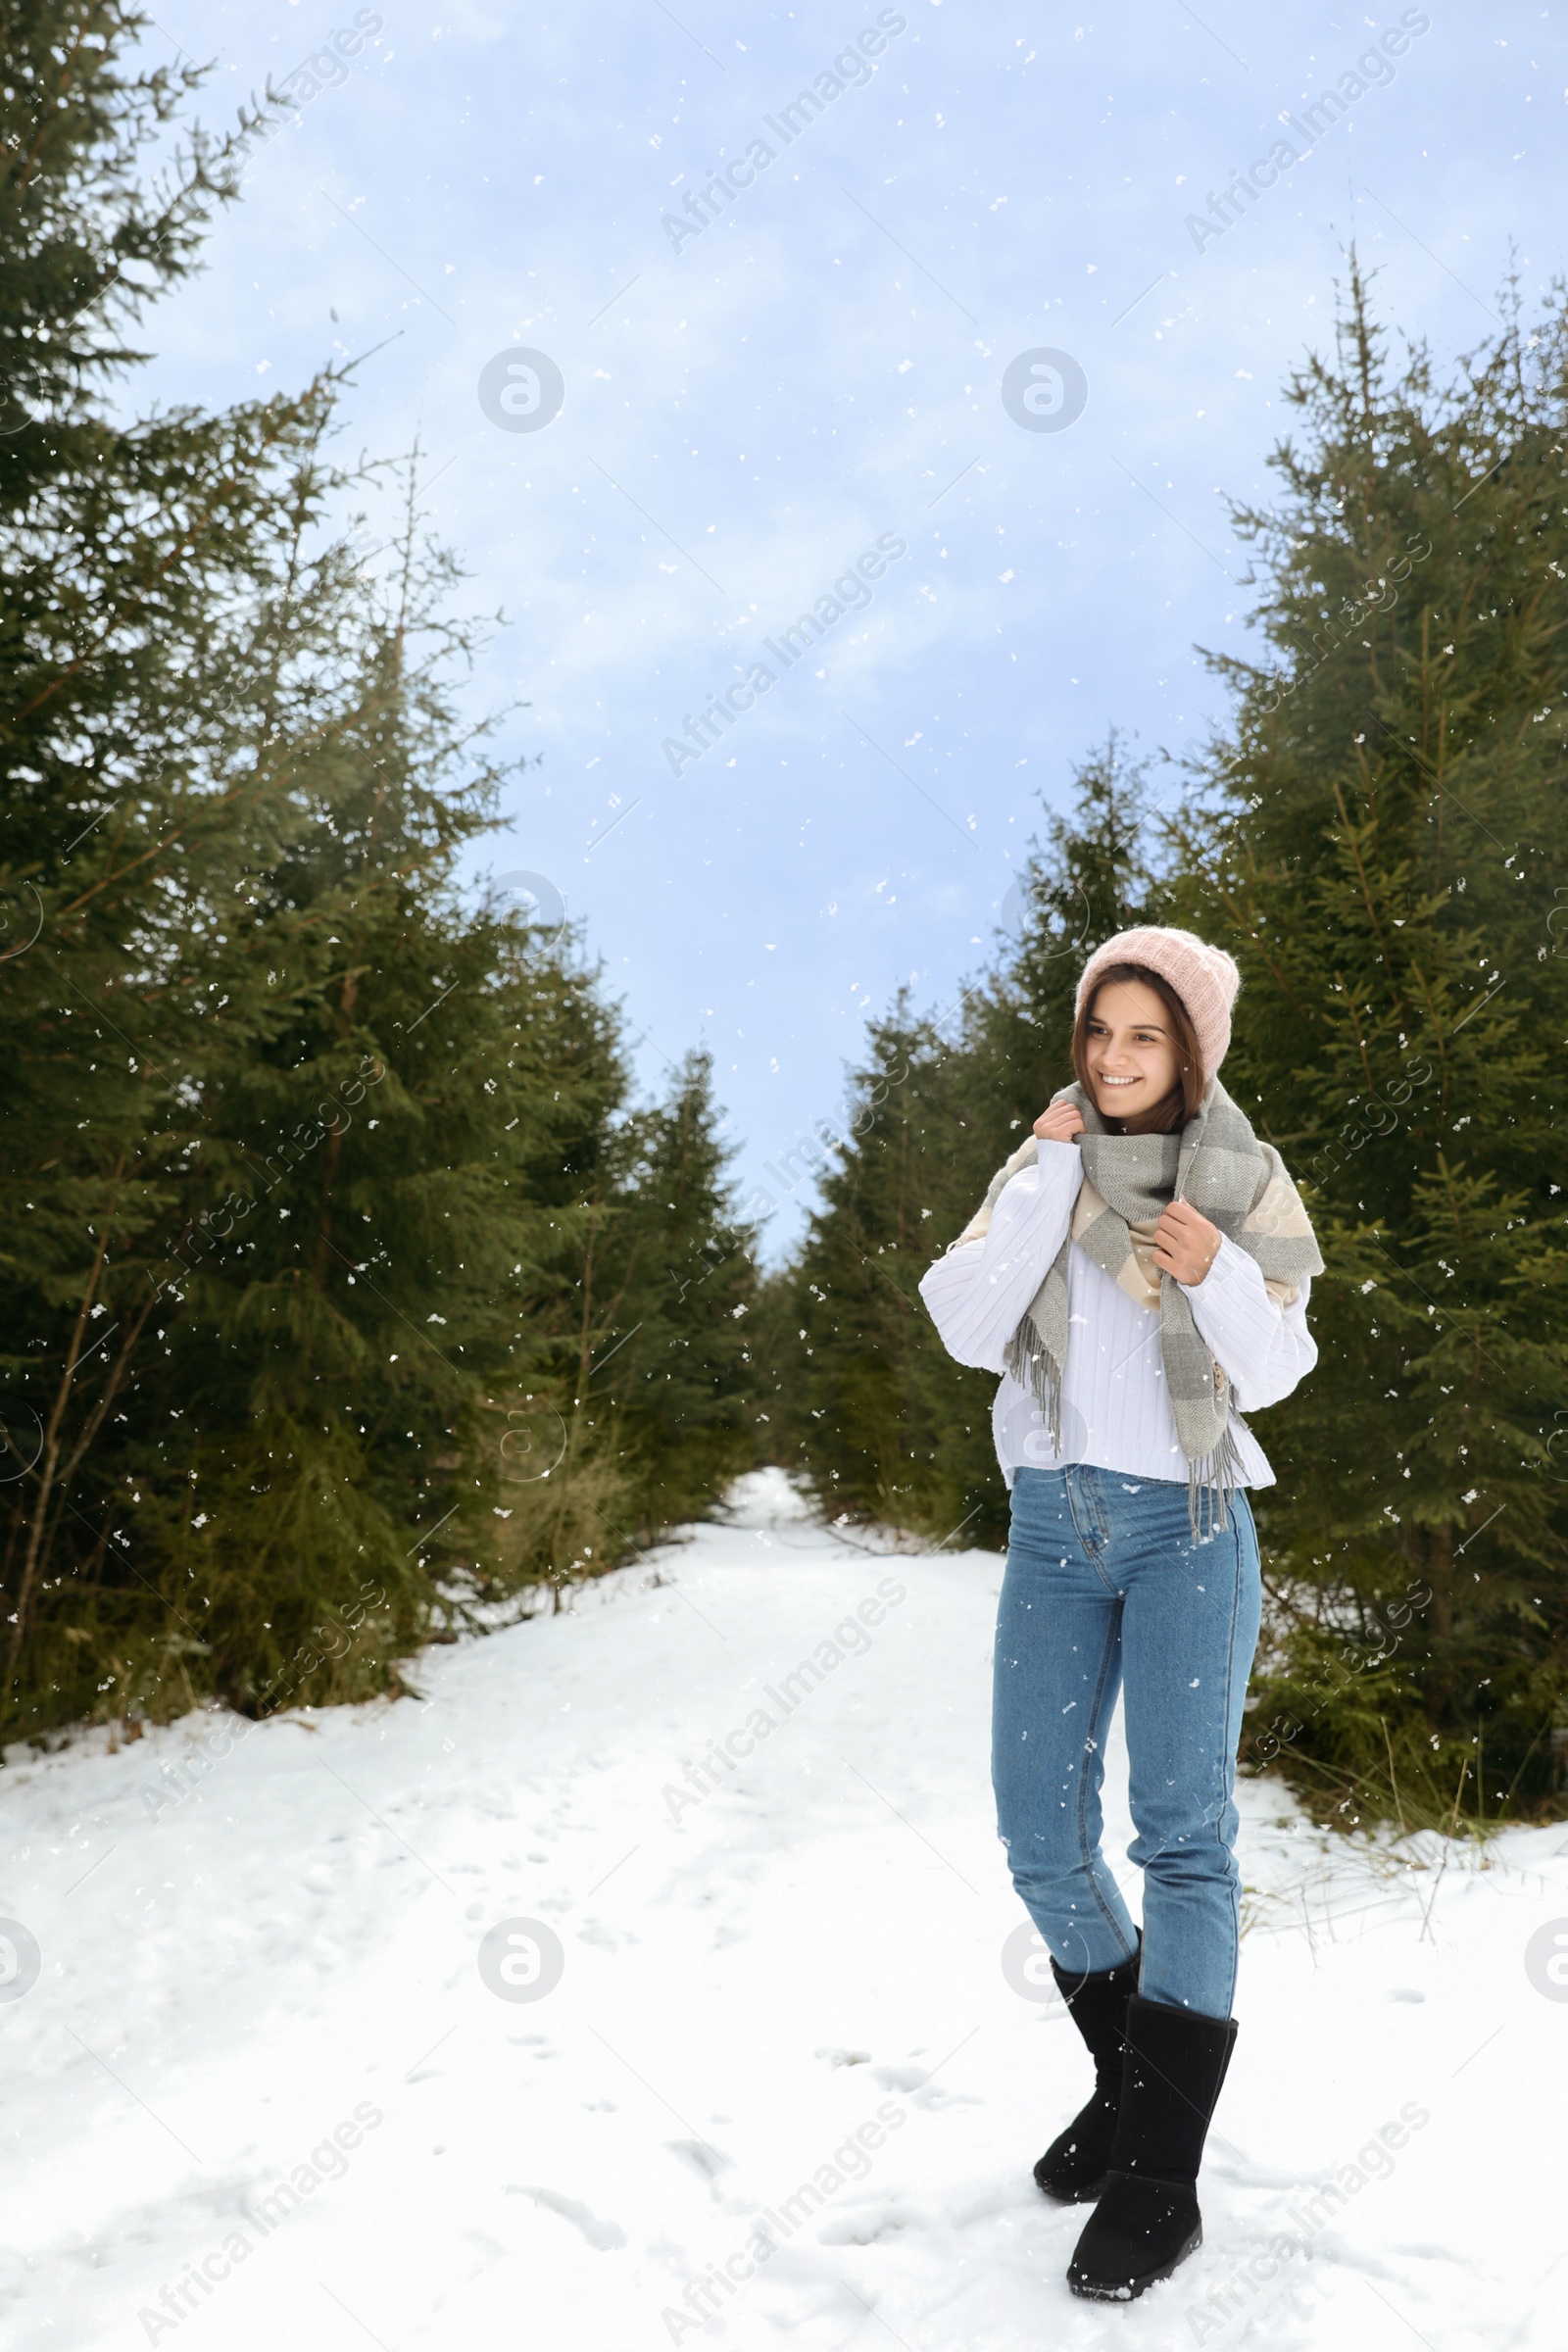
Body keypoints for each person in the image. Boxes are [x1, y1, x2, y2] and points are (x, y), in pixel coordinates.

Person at [918, 925, 1322, 2304]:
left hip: (1187, 1531)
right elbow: (967, 1319)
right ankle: (1140, 2081)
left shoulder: (1243, 1186)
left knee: (1183, 1843)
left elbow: (1271, 1376)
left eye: (1145, 1037)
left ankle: (1162, 2172)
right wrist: (1042, 1173)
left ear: (1192, 1050)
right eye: (1101, 1032)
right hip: (1052, 1529)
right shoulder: (1042, 1169)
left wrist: (1210, 1267)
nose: (1115, 1059)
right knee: (1039, 1831)